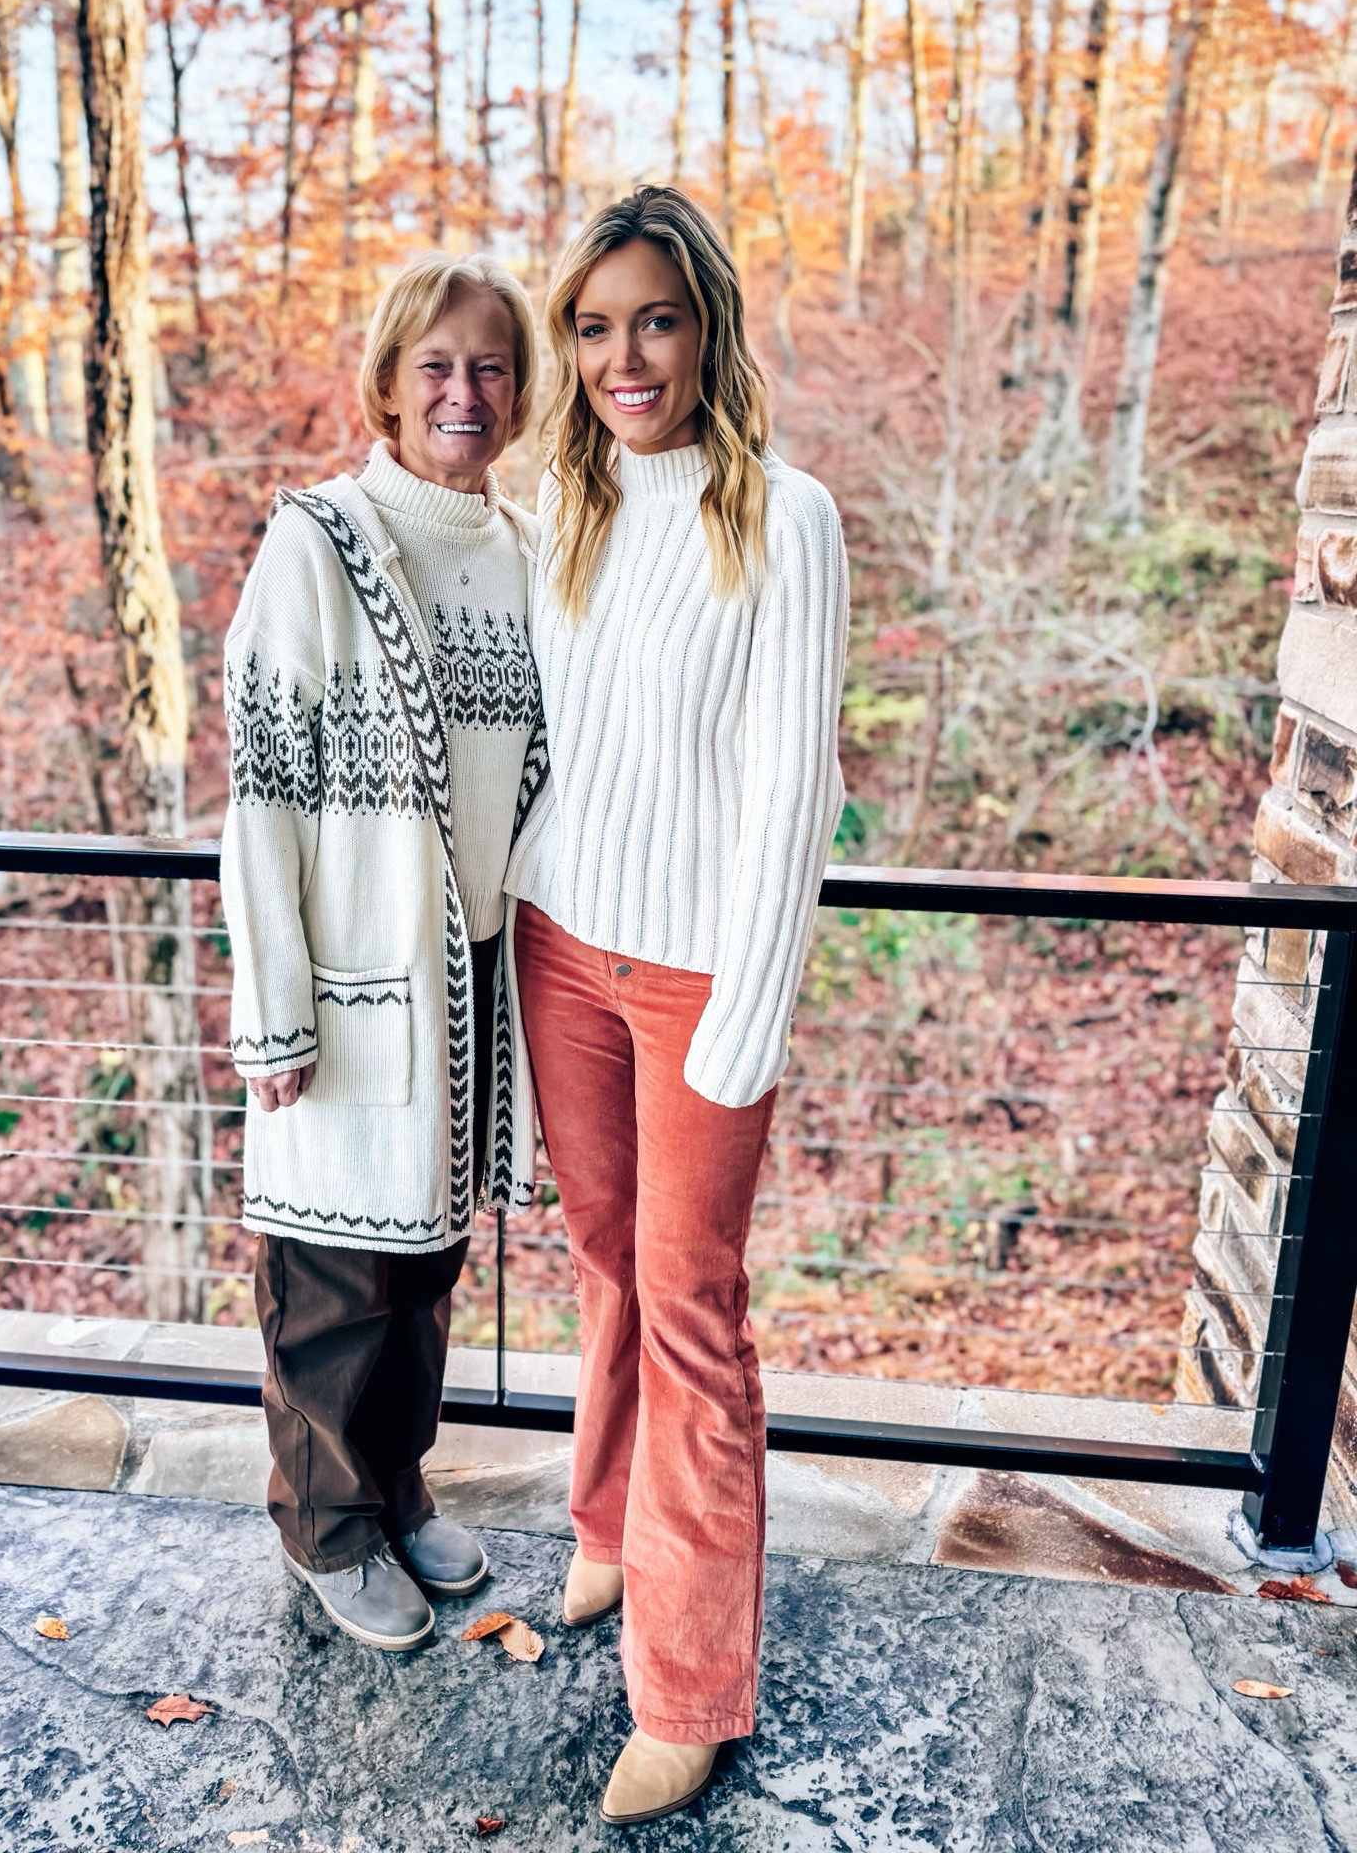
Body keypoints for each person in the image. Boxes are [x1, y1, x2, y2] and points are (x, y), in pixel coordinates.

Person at [505, 187, 849, 1824]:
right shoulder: (564, 506)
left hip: (702, 970)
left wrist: (751, 1010)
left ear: (708, 326)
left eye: (654, 319)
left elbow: (793, 792)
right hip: (559, 943)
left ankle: (692, 1686)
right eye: (592, 327)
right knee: (602, 1262)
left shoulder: (784, 517)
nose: (623, 357)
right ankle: (605, 1528)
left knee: (691, 1306)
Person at [220, 252, 546, 1652]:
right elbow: (262, 793)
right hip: (351, 971)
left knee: (422, 1271)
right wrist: (275, 1008)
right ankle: (328, 1526)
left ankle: (398, 1491)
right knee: (331, 1279)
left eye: (490, 366)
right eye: (436, 365)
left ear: (519, 390)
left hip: (474, 983)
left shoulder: (527, 552)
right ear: (391, 384)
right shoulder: (320, 542)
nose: (463, 391)